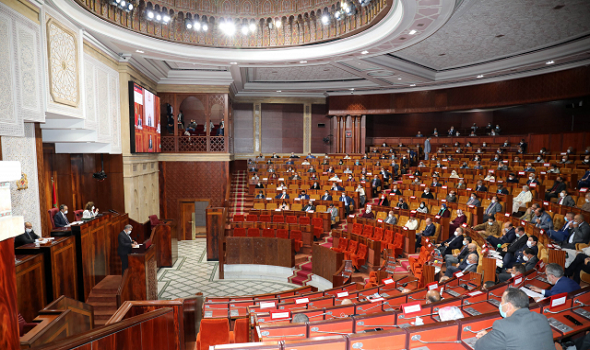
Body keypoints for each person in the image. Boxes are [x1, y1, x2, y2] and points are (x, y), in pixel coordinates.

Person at [474, 288, 554, 350]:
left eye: (502, 301)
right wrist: (491, 336)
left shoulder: (503, 326)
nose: (500, 304)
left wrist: (486, 337)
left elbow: (479, 347)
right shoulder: (542, 318)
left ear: (508, 306)